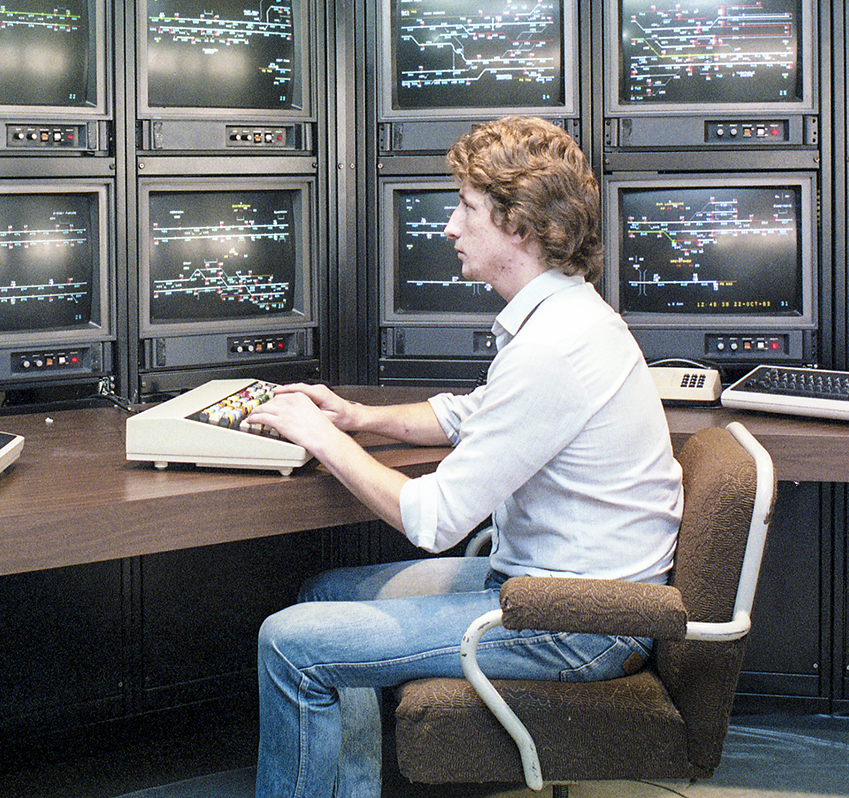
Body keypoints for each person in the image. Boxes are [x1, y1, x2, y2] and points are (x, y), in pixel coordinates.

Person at [244, 115, 683, 798]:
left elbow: (434, 518)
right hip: (546, 586)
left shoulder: (553, 349)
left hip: (573, 624)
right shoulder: (565, 317)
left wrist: (324, 440)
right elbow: (467, 414)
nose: (450, 227)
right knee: (321, 595)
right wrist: (359, 417)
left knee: (288, 643)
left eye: (467, 208)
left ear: (521, 227)